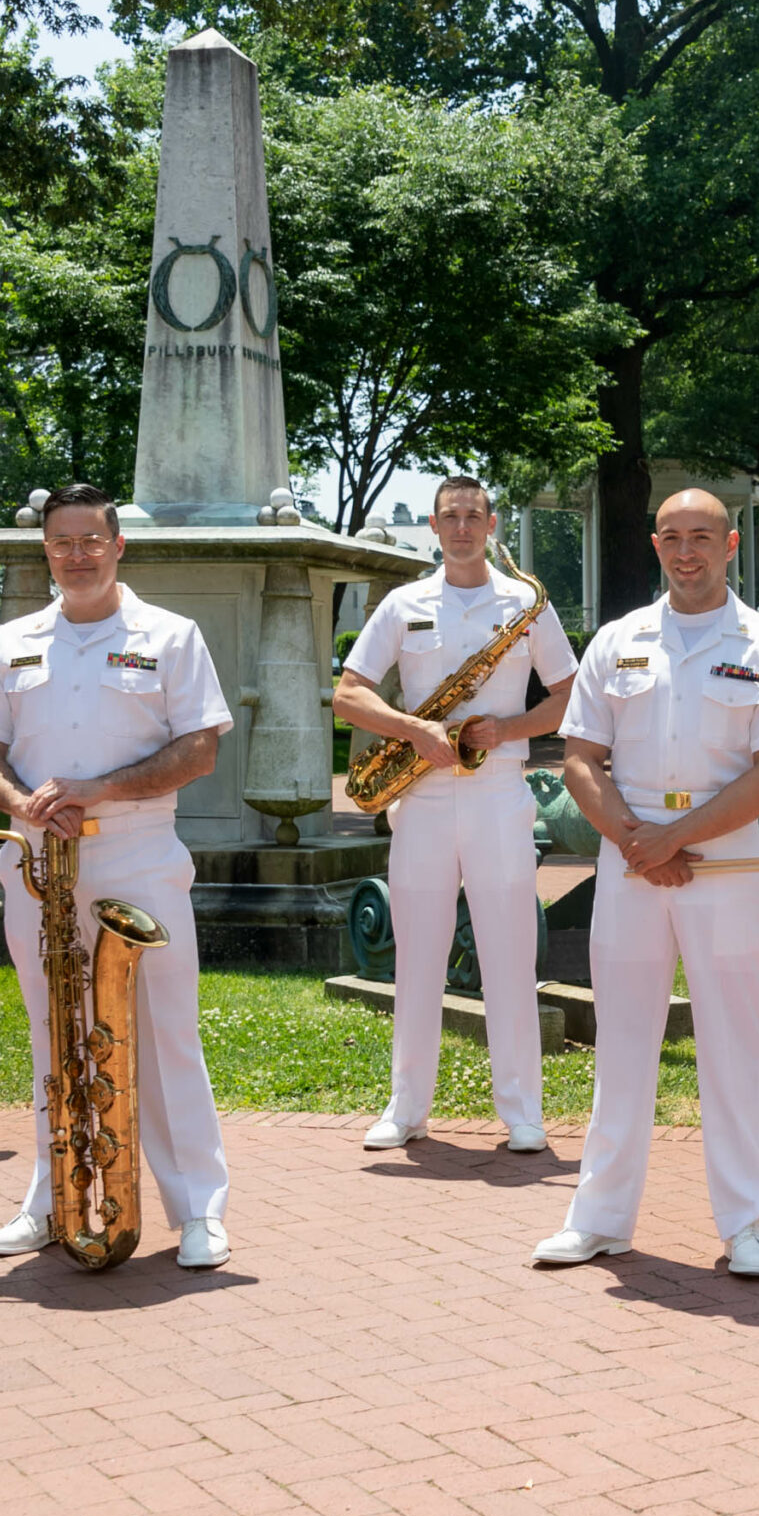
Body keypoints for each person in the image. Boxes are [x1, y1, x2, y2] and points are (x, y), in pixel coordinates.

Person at [0, 484, 240, 1269]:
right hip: (39, 857)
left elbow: (199, 749)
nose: (76, 554)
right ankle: (54, 1200)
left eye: (90, 539)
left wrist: (99, 789)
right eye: (61, 542)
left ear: (119, 546)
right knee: (54, 1033)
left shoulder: (171, 635)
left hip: (137, 852)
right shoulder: (12, 640)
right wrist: (21, 804)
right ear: (46, 550)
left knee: (165, 1034)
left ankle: (199, 1211)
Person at [532, 489, 759, 1277]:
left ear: (731, 546)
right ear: (656, 545)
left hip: (721, 864)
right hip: (631, 862)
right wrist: (634, 840)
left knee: (732, 1042)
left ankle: (748, 1224)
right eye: (673, 538)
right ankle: (601, 1217)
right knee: (622, 1040)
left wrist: (676, 838)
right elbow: (579, 757)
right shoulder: (618, 641)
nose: (687, 552)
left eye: (703, 537)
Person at [332, 476, 578, 1155]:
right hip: (424, 795)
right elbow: (349, 696)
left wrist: (509, 725)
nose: (463, 527)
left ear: (492, 523)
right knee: (416, 954)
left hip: (500, 790)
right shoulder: (402, 602)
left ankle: (522, 1111)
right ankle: (406, 1106)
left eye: (475, 515)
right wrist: (414, 729)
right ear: (435, 528)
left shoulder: (525, 605)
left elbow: (569, 695)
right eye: (451, 516)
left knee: (508, 951)